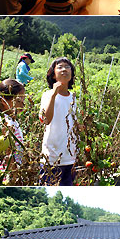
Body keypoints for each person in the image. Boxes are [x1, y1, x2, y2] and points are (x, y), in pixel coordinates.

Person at [39, 56, 77, 184]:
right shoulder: (47, 95)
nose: (64, 70)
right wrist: (54, 94)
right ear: (53, 75)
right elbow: (45, 120)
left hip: (70, 156)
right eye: (60, 67)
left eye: (67, 67)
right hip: (52, 155)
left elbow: (75, 124)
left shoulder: (74, 97)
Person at [0, 79, 25, 184]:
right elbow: (8, 156)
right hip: (4, 177)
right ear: (4, 101)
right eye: (19, 100)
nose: (23, 103)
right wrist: (14, 178)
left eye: (23, 99)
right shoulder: (5, 124)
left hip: (3, 175)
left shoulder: (10, 120)